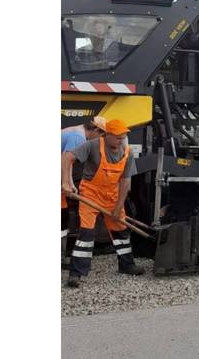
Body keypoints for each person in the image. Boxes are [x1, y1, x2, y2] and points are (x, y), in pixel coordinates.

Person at [62, 119, 144, 288]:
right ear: (107, 135)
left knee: (121, 231)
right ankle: (76, 274)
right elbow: (68, 157)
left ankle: (127, 265)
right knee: (86, 233)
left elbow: (125, 182)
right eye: (118, 137)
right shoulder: (92, 146)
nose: (121, 140)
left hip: (112, 196)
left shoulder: (127, 153)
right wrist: (66, 182)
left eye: (123, 137)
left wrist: (119, 207)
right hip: (91, 194)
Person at [61, 116, 107, 265]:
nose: (100, 139)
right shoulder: (78, 137)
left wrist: (68, 184)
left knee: (63, 216)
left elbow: (69, 162)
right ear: (95, 130)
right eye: (101, 135)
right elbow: (65, 159)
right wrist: (66, 183)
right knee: (61, 217)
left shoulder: (76, 132)